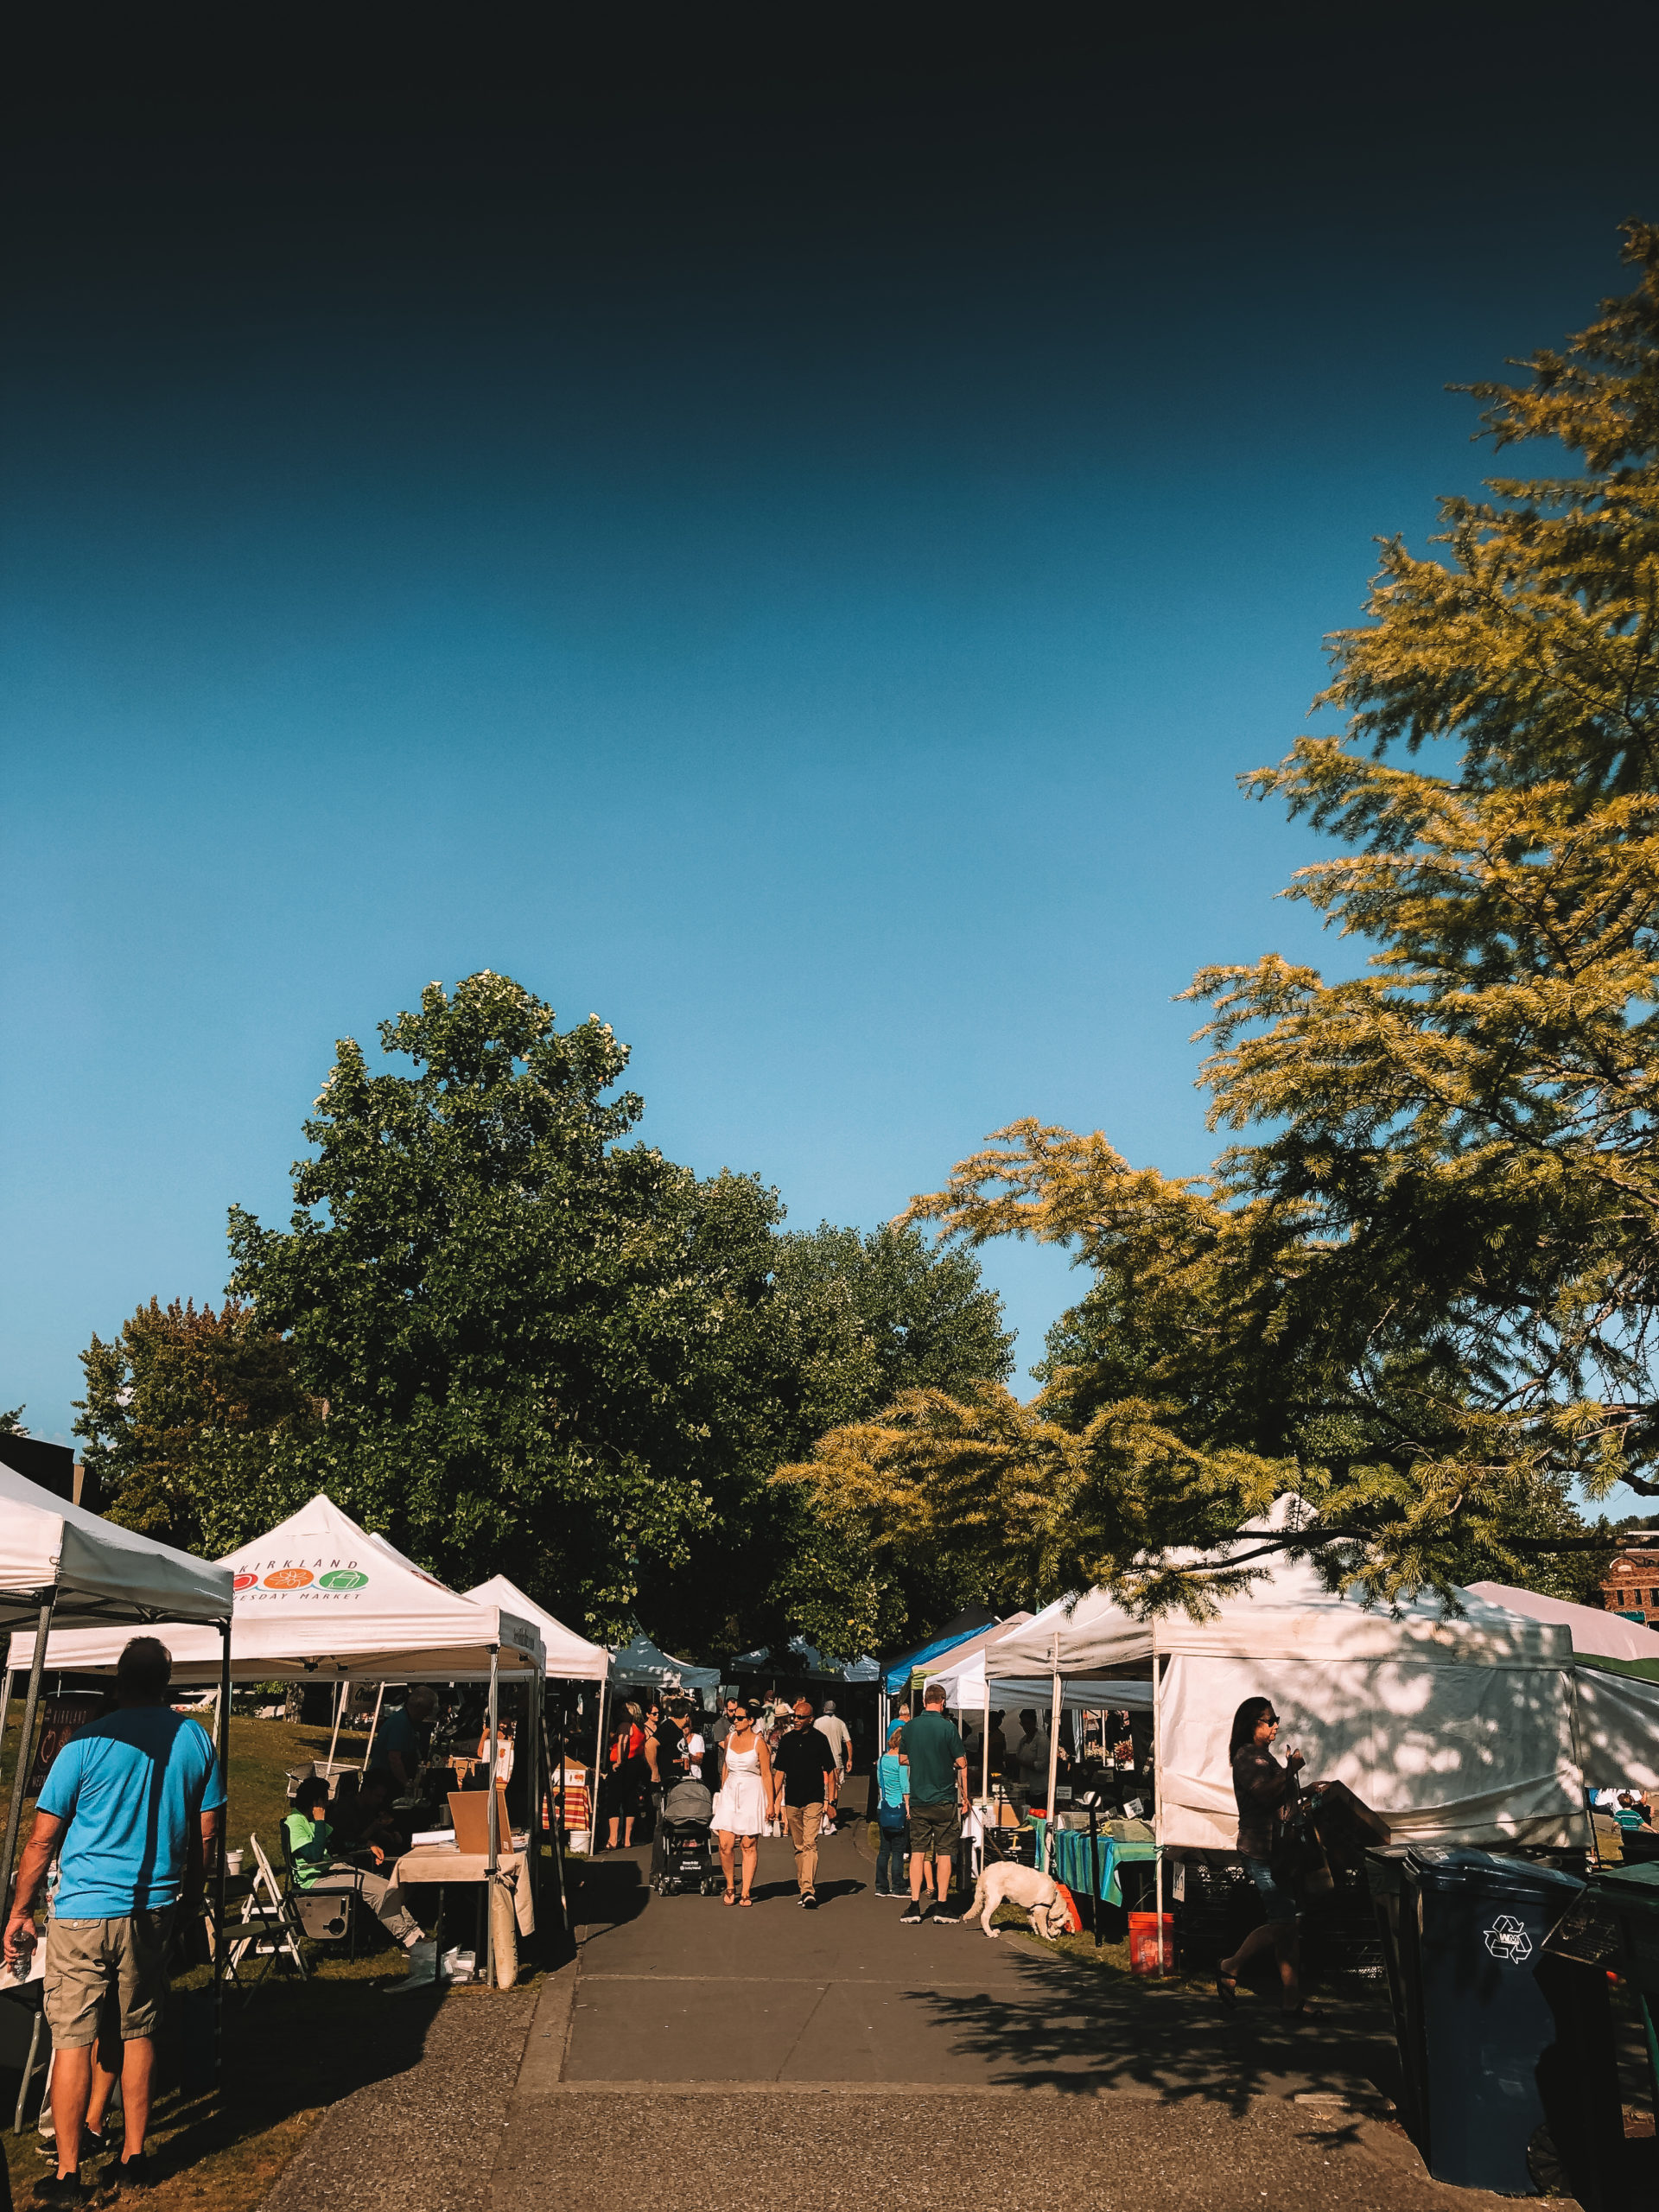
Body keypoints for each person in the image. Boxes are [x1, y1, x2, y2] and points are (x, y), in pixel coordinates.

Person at [3, 1637, 225, 2202]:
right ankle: (134, 2155)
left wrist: (20, 1910)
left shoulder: (84, 1743)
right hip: (153, 1907)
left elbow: (42, 1839)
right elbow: (207, 1833)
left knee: (73, 2039)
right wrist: (193, 1897)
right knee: (138, 2029)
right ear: (166, 1683)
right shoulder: (194, 1738)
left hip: (83, 1909)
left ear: (119, 1682)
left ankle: (69, 2173)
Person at [1216, 1695, 1310, 2016]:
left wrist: (1307, 1789)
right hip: (1261, 1850)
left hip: (1279, 1851)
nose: (1276, 1726)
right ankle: (1230, 1965)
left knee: (1290, 1926)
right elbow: (1264, 1794)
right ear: (1252, 1724)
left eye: (1276, 1719)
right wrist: (1290, 1771)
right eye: (1270, 1720)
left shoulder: (1263, 1757)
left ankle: (1292, 1999)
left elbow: (1280, 1795)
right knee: (1284, 1923)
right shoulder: (1247, 1756)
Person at [283, 1776, 426, 1949]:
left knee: (387, 1886)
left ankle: (415, 1932)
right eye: (325, 1800)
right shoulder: (295, 1823)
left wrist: (368, 1844)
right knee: (378, 1893)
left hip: (329, 1869)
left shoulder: (309, 1820)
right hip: (314, 1878)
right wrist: (320, 1821)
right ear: (316, 1802)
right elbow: (314, 1855)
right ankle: (409, 1939)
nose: (328, 1804)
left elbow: (340, 1840)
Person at [899, 1684, 969, 1924]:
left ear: (923, 1701)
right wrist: (946, 1762)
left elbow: (902, 1758)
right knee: (944, 1852)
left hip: (919, 1797)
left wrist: (921, 1760)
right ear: (943, 1702)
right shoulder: (948, 1727)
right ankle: (942, 1905)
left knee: (918, 1852)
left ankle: (914, 1905)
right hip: (944, 1798)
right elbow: (961, 1762)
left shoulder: (910, 1727)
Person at [771, 1698, 837, 1909]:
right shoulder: (787, 1740)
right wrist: (772, 1802)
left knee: (810, 1843)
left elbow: (831, 1771)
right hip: (792, 1800)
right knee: (799, 1846)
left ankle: (808, 1890)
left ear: (811, 1719)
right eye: (794, 1717)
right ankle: (803, 1887)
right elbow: (779, 1773)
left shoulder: (820, 1739)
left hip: (814, 1799)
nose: (796, 1720)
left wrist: (832, 1801)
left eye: (801, 1717)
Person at [711, 1700, 772, 1905]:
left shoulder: (759, 1743)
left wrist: (771, 1803)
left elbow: (766, 1774)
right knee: (725, 1845)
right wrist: (722, 1792)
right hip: (730, 1791)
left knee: (748, 1844)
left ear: (750, 1720)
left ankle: (746, 1891)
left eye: (739, 1718)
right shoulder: (729, 1738)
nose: (735, 1721)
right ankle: (730, 1886)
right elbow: (726, 1768)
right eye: (733, 1717)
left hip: (752, 1792)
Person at [369, 1686, 435, 1796]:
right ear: (418, 1706)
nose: (428, 1714)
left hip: (388, 1780)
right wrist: (407, 1784)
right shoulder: (401, 1723)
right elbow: (394, 1758)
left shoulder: (404, 1720)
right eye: (428, 1709)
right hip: (383, 1783)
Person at [874, 1725, 910, 1897]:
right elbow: (905, 1785)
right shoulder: (901, 1761)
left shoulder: (882, 1760)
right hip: (899, 1807)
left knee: (884, 1850)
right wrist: (908, 1806)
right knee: (898, 1850)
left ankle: (881, 1886)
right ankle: (898, 1886)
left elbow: (880, 1782)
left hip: (884, 1806)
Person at [815, 1700, 852, 1834]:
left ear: (824, 1709)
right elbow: (848, 1742)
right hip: (836, 1761)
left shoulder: (818, 1723)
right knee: (834, 1791)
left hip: (820, 1761)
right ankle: (830, 1819)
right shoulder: (840, 1723)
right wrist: (850, 1759)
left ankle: (820, 1821)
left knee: (820, 1790)